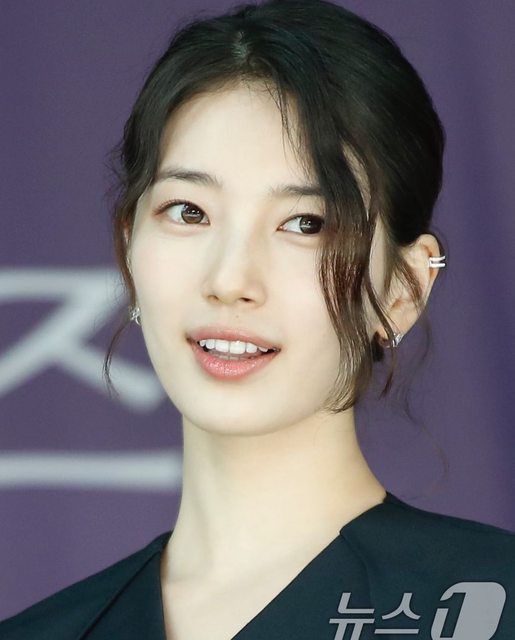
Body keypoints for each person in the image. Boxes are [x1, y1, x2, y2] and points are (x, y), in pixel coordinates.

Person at [1, 0, 514, 638]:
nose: (229, 281)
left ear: (404, 289)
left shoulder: (490, 604)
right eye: (188, 212)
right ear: (130, 248)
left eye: (306, 223)